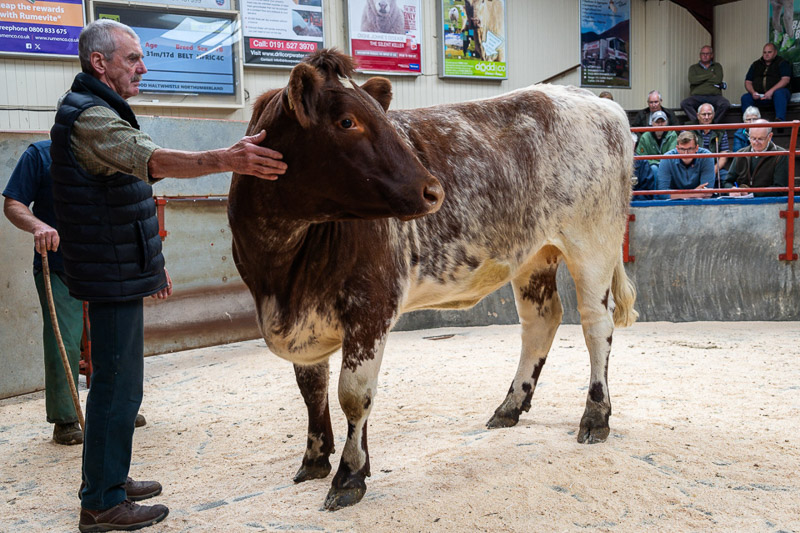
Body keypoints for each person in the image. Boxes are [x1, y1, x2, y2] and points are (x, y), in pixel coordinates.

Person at [51, 19, 287, 532]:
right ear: (100, 64)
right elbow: (153, 161)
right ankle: (101, 502)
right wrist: (228, 158)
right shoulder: (91, 117)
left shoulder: (102, 108)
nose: (142, 66)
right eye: (133, 58)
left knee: (119, 386)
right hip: (108, 273)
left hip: (117, 269)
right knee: (116, 388)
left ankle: (109, 478)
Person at [3, 141, 84, 445]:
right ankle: (65, 419)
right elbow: (13, 203)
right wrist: (38, 226)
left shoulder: (106, 150)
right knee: (62, 339)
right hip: (59, 262)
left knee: (114, 337)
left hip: (105, 262)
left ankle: (117, 410)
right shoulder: (39, 154)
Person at [724, 120, 789, 197]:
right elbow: (727, 182)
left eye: (760, 139)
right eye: (753, 138)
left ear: (770, 136)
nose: (756, 142)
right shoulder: (741, 153)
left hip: (768, 203)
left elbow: (780, 188)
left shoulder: (781, 154)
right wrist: (731, 189)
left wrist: (752, 193)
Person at [741, 43, 792, 122]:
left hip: (776, 95)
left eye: (769, 52)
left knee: (780, 93)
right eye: (764, 52)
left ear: (775, 52)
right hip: (759, 95)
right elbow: (748, 81)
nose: (766, 54)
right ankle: (748, 123)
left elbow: (785, 80)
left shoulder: (782, 63)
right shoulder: (756, 64)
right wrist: (753, 92)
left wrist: (771, 91)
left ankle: (780, 121)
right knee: (745, 97)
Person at [657, 131, 715, 199]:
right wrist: (694, 193)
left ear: (696, 148)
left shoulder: (706, 156)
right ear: (677, 148)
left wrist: (676, 195)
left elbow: (707, 192)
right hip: (674, 204)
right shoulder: (666, 158)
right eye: (682, 149)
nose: (686, 154)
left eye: (690, 149)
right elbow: (662, 194)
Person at [680, 45, 730, 124]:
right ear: (700, 55)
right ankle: (697, 123)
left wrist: (700, 79)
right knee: (685, 103)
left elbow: (718, 80)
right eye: (703, 53)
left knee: (725, 104)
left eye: (707, 53)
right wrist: (710, 75)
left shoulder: (717, 66)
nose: (705, 55)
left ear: (712, 55)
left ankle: (712, 124)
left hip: (714, 96)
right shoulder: (693, 68)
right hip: (697, 96)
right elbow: (693, 80)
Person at [693, 103, 730, 187]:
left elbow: (724, 156)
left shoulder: (720, 131)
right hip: (694, 168)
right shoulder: (689, 129)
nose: (706, 117)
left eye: (709, 114)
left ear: (713, 115)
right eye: (704, 114)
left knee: (727, 178)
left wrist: (713, 170)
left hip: (714, 167)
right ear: (698, 115)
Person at [634, 110, 677, 176]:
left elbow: (672, 156)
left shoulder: (672, 135)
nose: (660, 124)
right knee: (654, 169)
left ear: (666, 122)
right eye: (657, 122)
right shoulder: (645, 137)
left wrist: (658, 163)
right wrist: (656, 163)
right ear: (652, 123)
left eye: (662, 122)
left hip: (668, 165)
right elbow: (641, 157)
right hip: (650, 166)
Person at [631, 133, 656, 201]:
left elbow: (647, 191)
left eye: (631, 142)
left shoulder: (643, 163)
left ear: (635, 144)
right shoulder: (613, 163)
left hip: (638, 203)